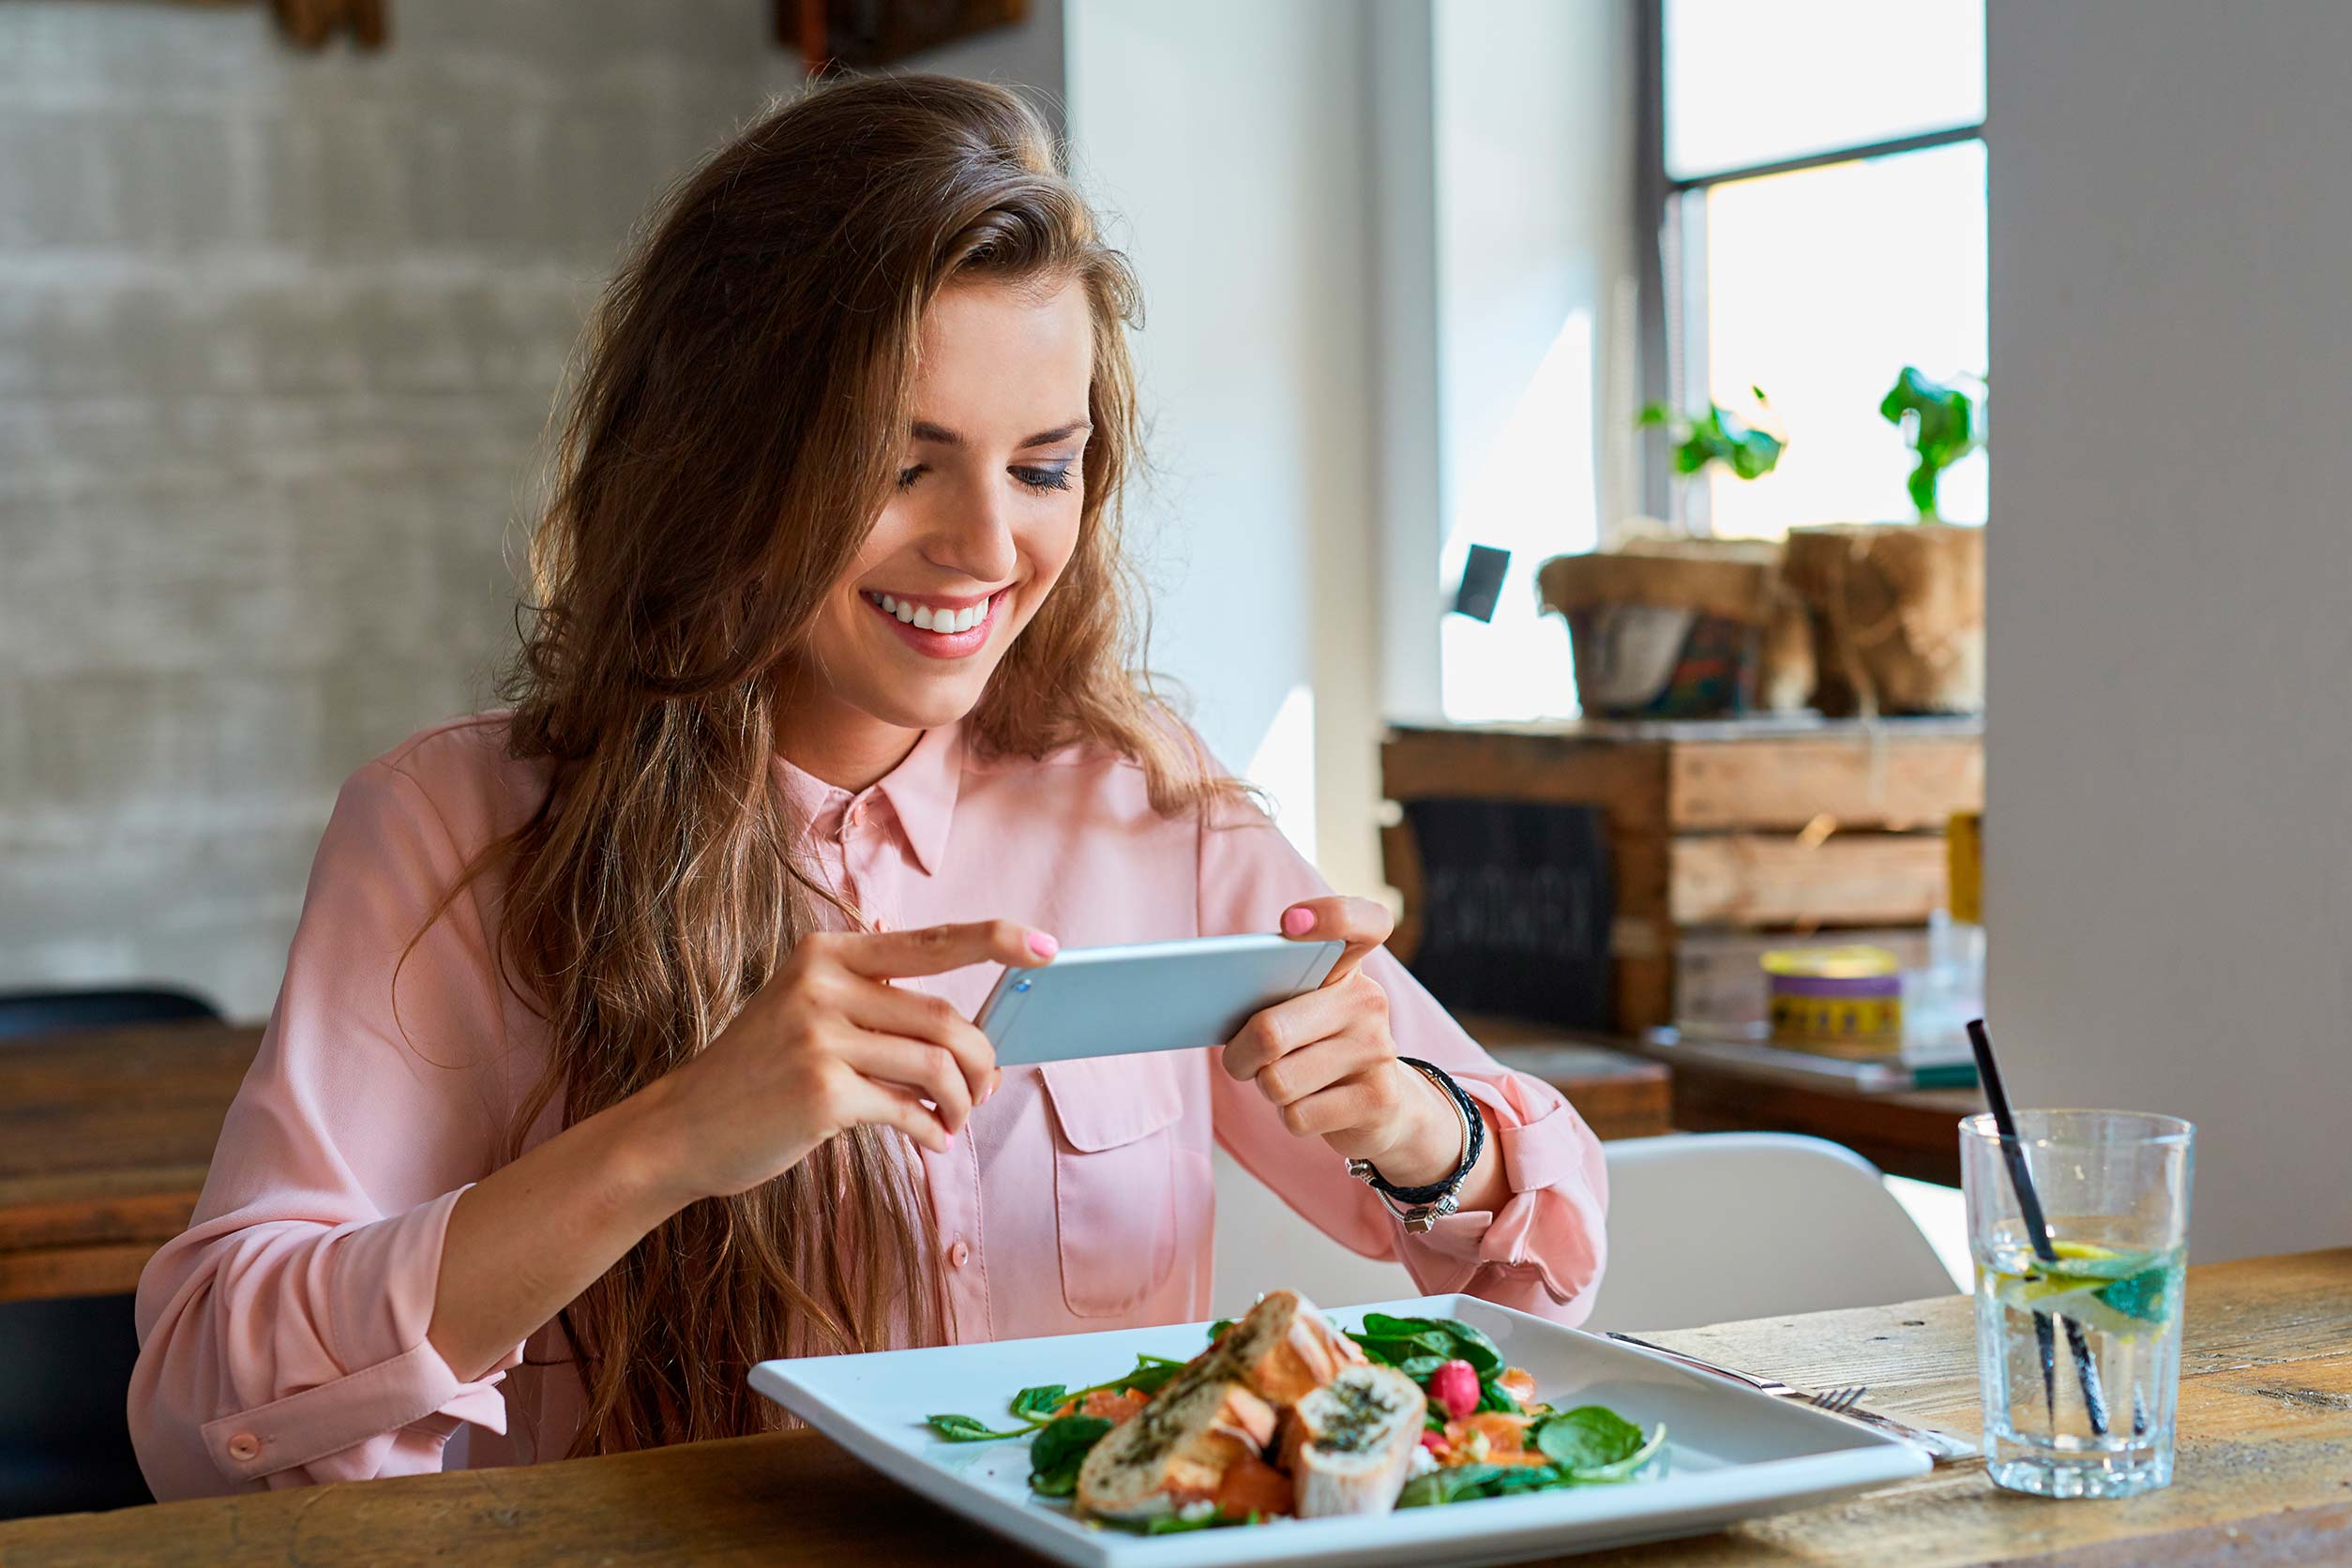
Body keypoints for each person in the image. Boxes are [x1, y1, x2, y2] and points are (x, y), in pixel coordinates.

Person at [128, 74, 1606, 1499]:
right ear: (720, 460)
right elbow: (205, 1415)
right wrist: (667, 1141)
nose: (987, 547)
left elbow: (1544, 1251)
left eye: (1045, 466)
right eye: (901, 466)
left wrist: (1421, 1132)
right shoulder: (450, 830)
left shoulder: (1150, 804)